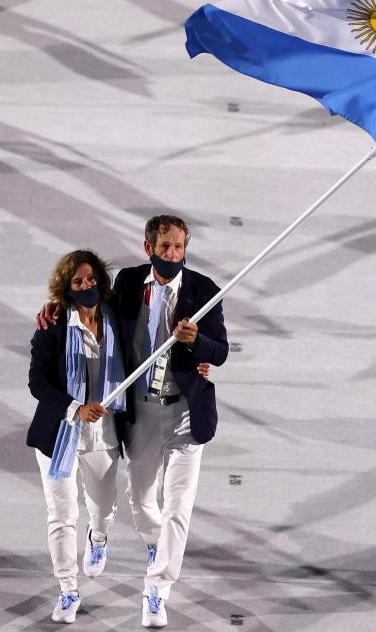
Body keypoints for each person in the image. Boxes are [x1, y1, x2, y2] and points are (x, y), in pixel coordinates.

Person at [39, 215, 228, 628]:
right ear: (149, 249)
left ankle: (157, 590)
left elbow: (221, 351)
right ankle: (133, 541)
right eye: (165, 247)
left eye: (179, 247)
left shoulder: (204, 291)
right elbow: (92, 309)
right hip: (140, 411)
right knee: (142, 502)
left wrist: (199, 344)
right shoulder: (126, 283)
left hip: (184, 414)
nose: (173, 255)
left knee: (178, 508)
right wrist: (57, 305)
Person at [26, 250, 130, 624]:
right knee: (62, 514)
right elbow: (37, 383)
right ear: (66, 290)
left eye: (90, 279)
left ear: (100, 279)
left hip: (103, 434)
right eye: (77, 282)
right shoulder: (53, 325)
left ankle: (98, 539)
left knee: (102, 507)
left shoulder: (117, 314)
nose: (86, 286)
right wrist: (75, 407)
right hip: (58, 437)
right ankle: (68, 589)